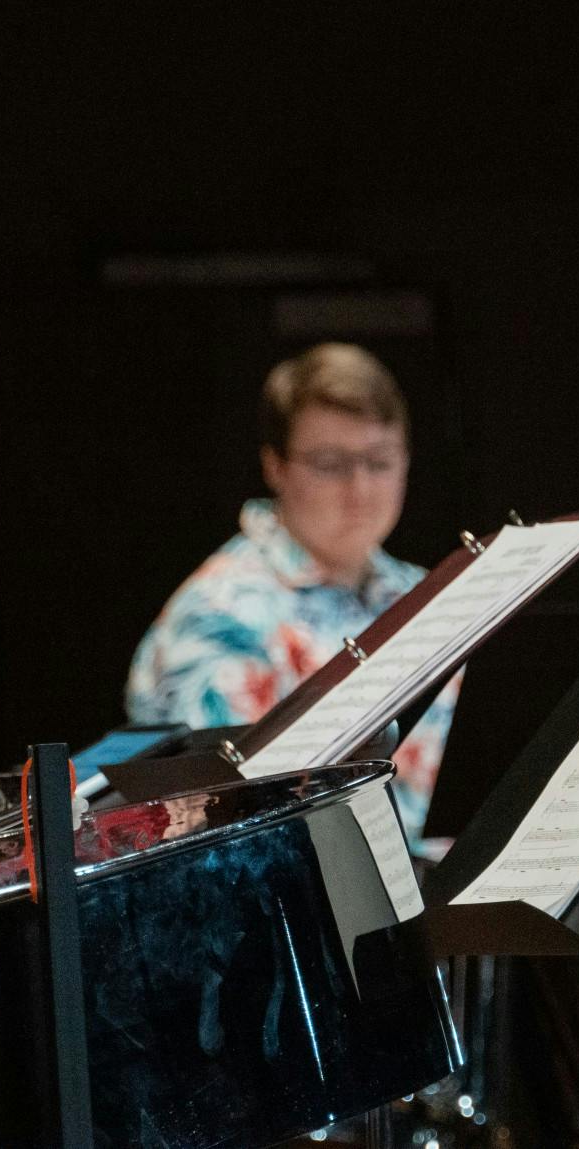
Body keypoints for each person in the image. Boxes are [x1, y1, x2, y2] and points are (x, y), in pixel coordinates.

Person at [127, 343, 455, 845]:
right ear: (275, 466)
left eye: (380, 461)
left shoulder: (433, 593)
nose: (361, 488)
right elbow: (229, 838)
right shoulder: (218, 612)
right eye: (330, 464)